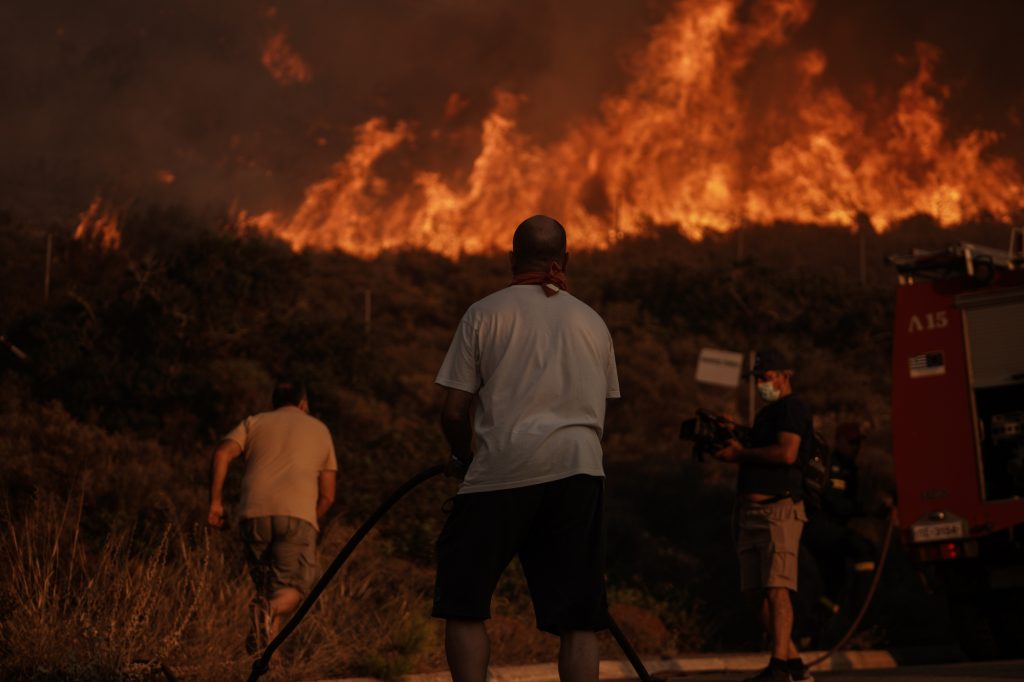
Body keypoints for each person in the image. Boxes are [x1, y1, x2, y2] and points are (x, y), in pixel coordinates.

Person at [433, 215, 620, 682]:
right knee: (579, 619)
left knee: (463, 601)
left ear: (512, 259)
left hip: (502, 471)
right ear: (565, 260)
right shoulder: (592, 322)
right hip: (580, 471)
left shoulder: (484, 313)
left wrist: (463, 458)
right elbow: (605, 411)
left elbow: (454, 411)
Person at [207, 379, 337, 653]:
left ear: (275, 402)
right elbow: (328, 495)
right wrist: (311, 520)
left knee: (268, 589)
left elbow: (221, 453)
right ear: (304, 404)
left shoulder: (254, 422)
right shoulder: (319, 429)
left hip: (253, 514)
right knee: (291, 590)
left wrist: (216, 503)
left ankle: (268, 664)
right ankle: (268, 609)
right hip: (297, 515)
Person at [713, 349, 814, 682]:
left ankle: (779, 666)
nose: (760, 384)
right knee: (755, 592)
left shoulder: (792, 408)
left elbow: (787, 453)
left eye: (765, 377)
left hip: (778, 511)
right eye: (757, 379)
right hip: (751, 514)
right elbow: (762, 444)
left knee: (777, 588)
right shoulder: (768, 414)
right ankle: (794, 665)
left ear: (784, 375)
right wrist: (738, 431)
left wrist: (741, 453)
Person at [801, 422, 876, 625]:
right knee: (863, 549)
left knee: (834, 584)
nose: (856, 447)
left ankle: (812, 629)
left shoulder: (851, 468)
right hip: (819, 526)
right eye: (852, 442)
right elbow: (835, 503)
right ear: (839, 441)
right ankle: (862, 623)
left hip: (834, 529)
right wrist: (867, 509)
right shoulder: (831, 465)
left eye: (858, 442)